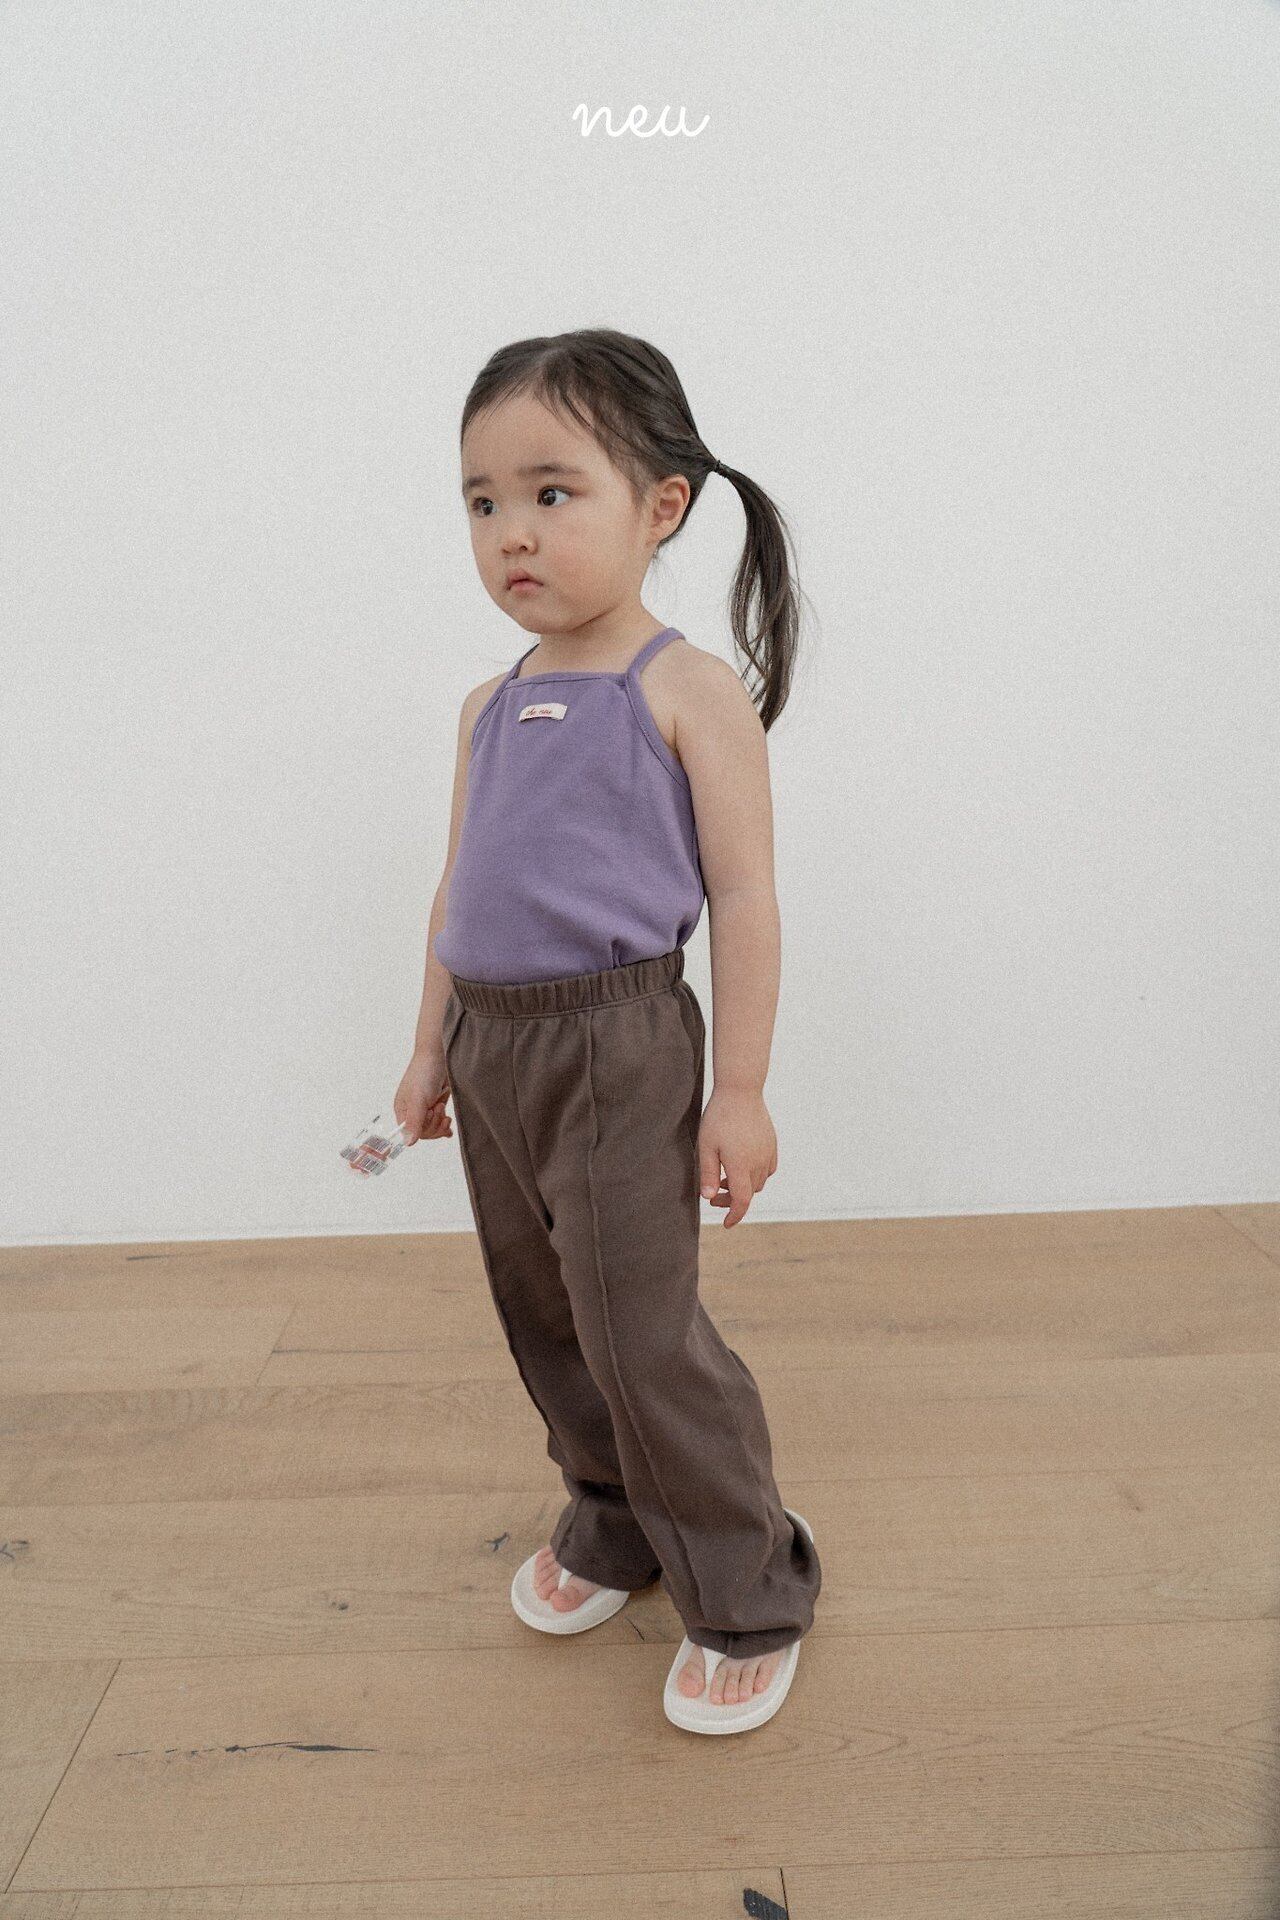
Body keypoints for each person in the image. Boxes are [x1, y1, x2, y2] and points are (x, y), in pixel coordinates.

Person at [394, 327, 821, 1734]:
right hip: (493, 1051)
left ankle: (746, 1581)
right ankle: (614, 1514)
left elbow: (746, 897)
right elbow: (459, 892)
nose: (511, 532)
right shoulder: (487, 706)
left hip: (618, 1044)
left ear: (661, 506)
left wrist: (740, 1090)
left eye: (551, 492)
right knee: (543, 1311)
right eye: (482, 501)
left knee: (640, 1327)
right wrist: (428, 1049)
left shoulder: (683, 691)